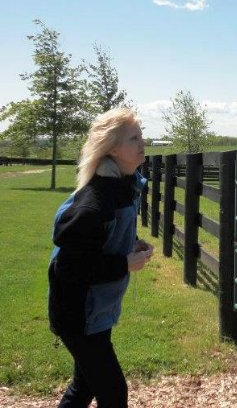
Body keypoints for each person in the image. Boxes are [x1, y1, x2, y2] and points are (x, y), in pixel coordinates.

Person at [48, 107, 154, 408]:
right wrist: (124, 263)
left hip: (94, 311)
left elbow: (104, 239)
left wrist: (130, 243)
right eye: (134, 138)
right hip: (79, 314)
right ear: (112, 148)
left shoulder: (122, 186)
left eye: (141, 135)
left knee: (83, 387)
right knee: (113, 393)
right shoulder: (93, 202)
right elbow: (69, 267)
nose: (142, 142)